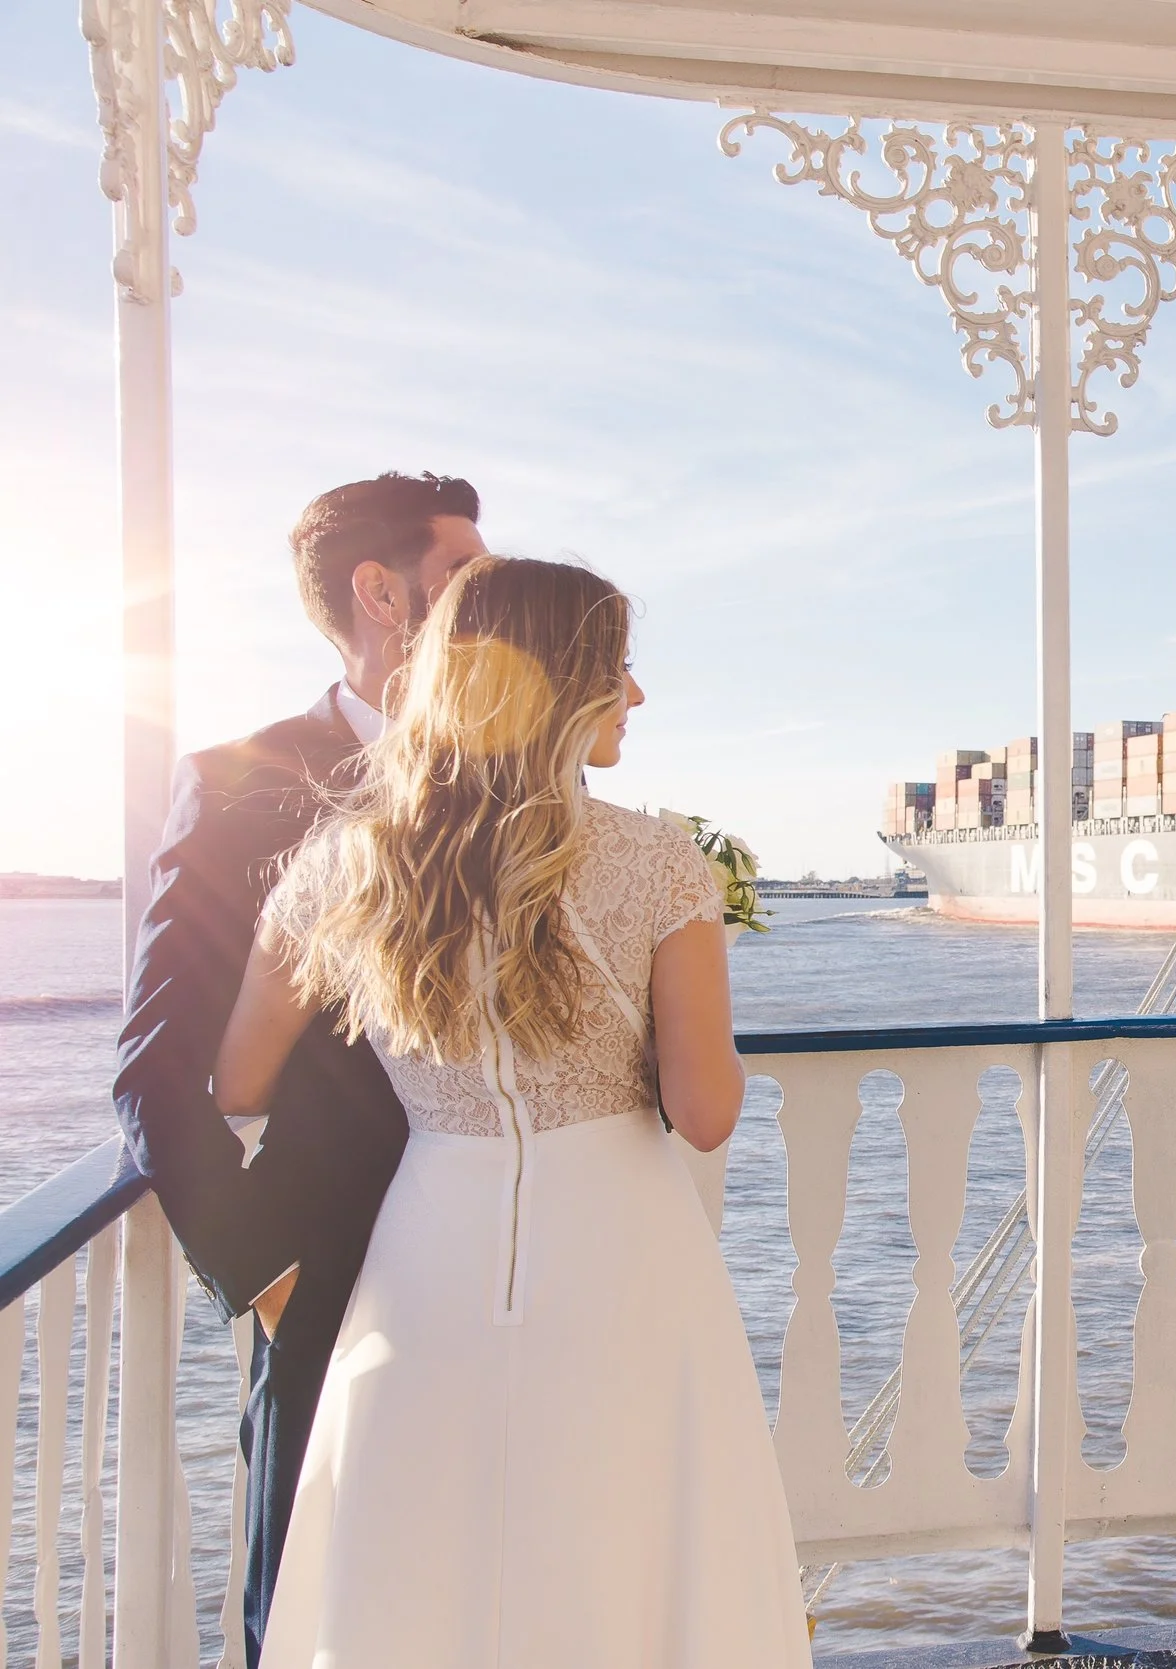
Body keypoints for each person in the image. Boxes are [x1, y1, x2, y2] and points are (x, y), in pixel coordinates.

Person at [214, 555, 808, 1668]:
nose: (635, 695)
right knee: (634, 1549)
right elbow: (706, 1107)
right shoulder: (656, 861)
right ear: (560, 682)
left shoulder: (352, 858)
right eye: (618, 668)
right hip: (623, 1251)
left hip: (430, 1246)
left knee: (425, 1556)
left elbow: (238, 1081)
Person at [114, 472, 486, 1667]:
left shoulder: (519, 775)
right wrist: (266, 1271)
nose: (494, 600)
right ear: (381, 594)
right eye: (463, 578)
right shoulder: (240, 778)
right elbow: (155, 1067)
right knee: (316, 1594)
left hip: (502, 1258)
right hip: (331, 1263)